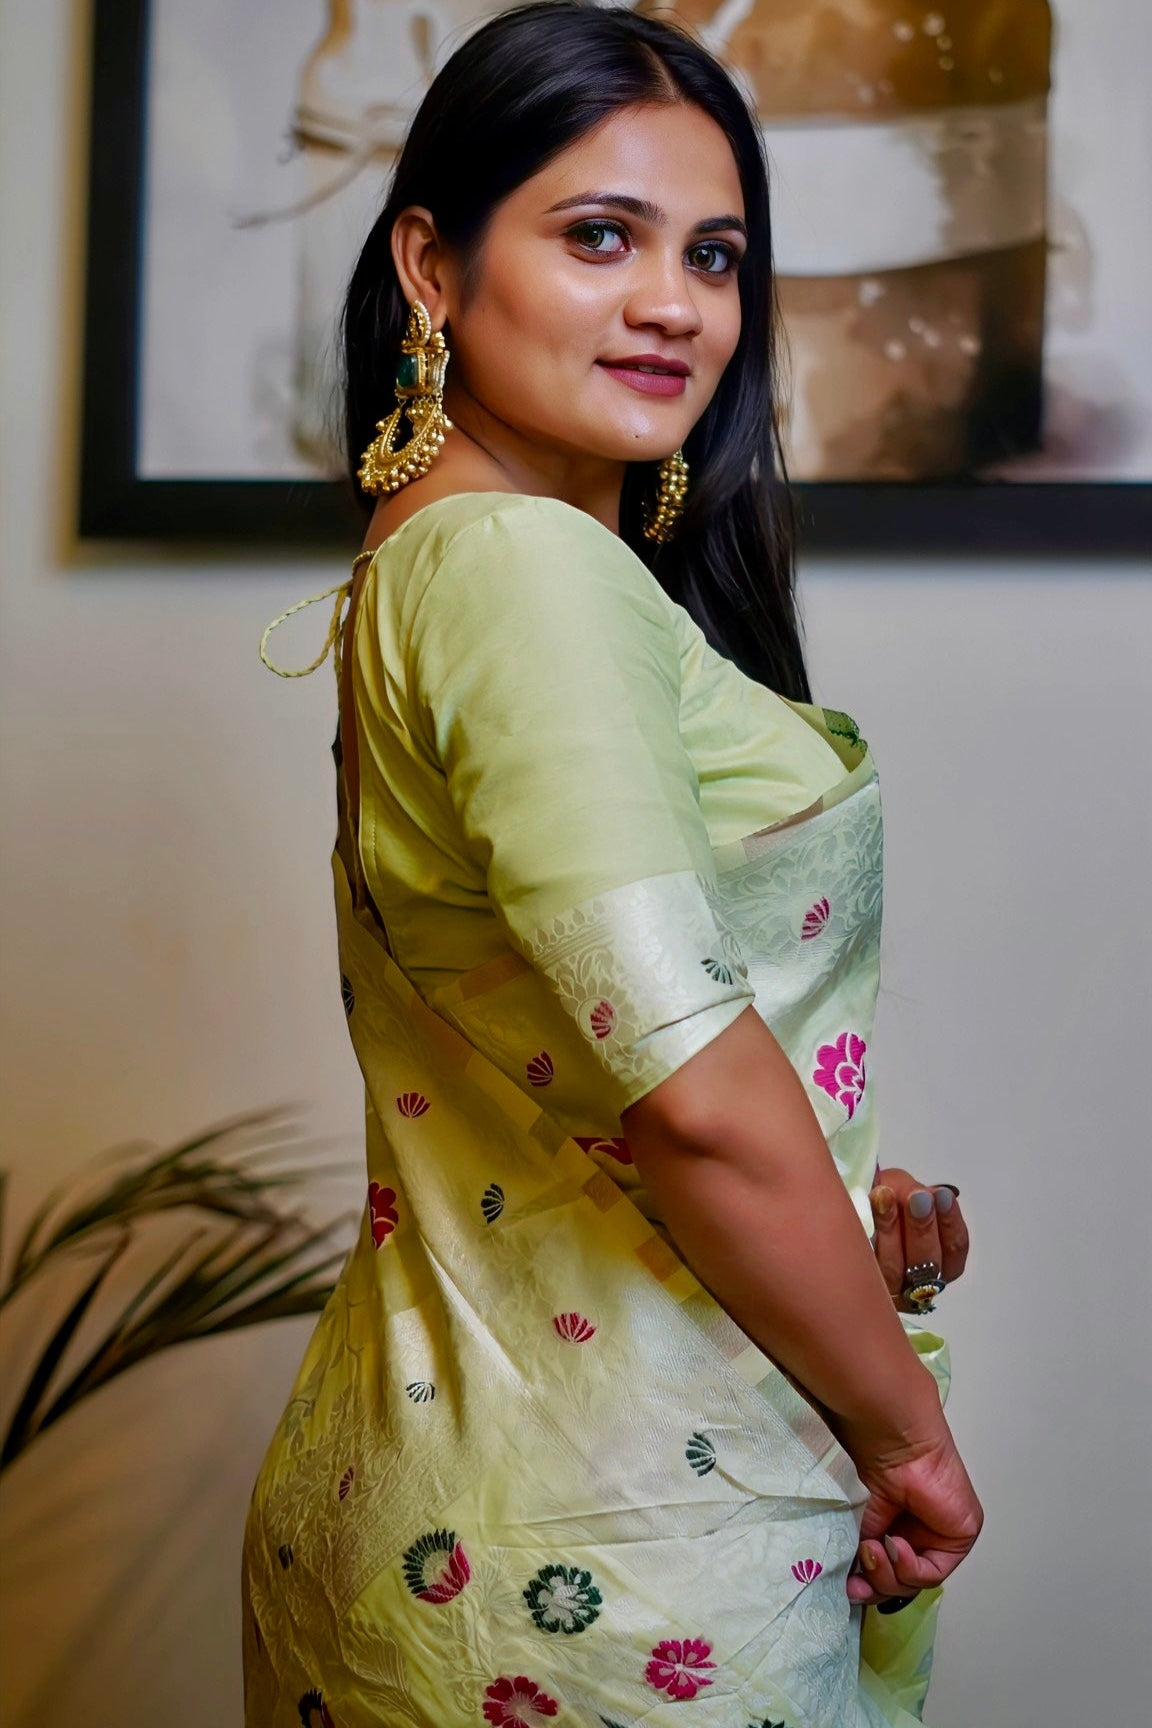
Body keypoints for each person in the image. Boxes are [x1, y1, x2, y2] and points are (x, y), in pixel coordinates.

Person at [247, 6, 981, 1725]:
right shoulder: (522, 571)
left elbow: (548, 1059)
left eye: (713, 254)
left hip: (444, 1494)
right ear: (431, 265)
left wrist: (830, 1199)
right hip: (608, 1556)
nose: (676, 303)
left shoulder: (432, 563)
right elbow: (695, 1100)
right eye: (600, 236)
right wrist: (908, 1436)